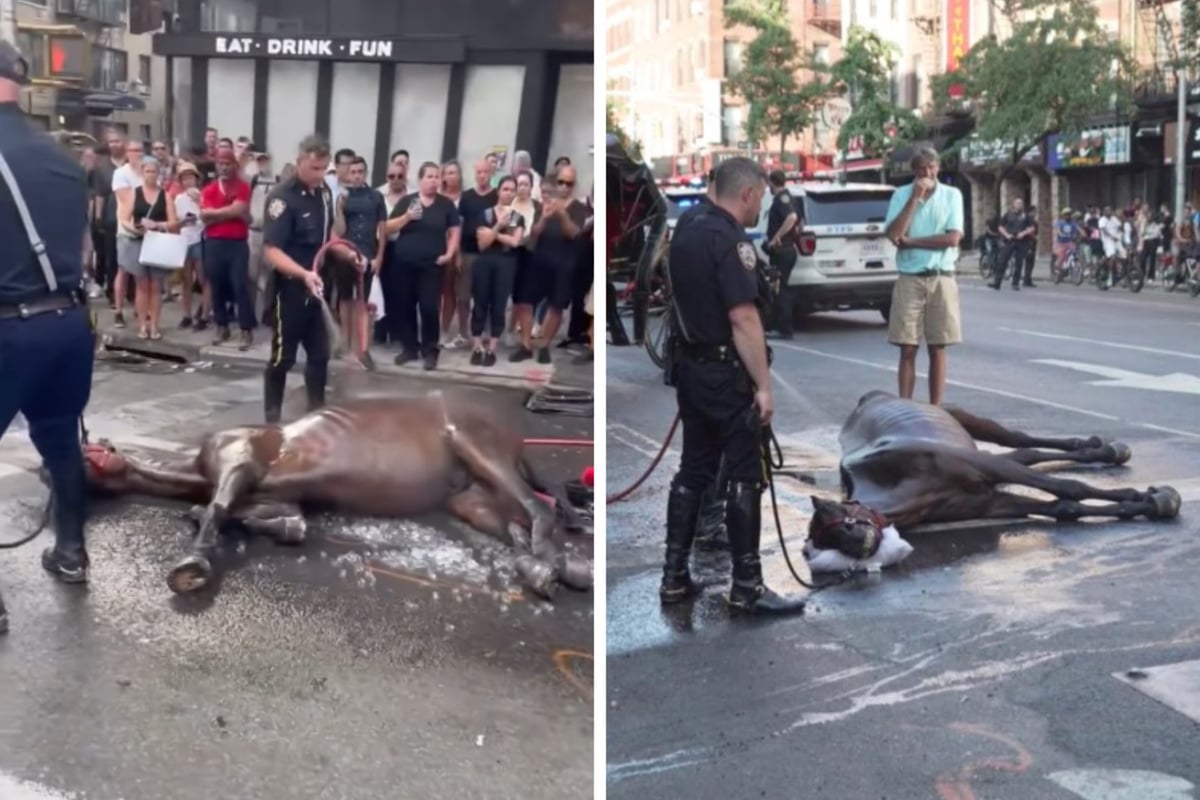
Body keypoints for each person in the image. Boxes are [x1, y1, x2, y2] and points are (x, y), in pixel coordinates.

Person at [659, 156, 805, 617]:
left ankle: (674, 576)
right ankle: (747, 585)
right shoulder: (728, 238)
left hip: (691, 371)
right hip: (725, 373)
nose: (760, 205)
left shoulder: (686, 226)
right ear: (745, 194)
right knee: (744, 474)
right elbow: (743, 317)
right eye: (759, 197)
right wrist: (763, 386)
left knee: (694, 470)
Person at [0, 39, 95, 591]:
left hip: (10, 326)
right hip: (68, 325)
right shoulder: (63, 159)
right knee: (60, 440)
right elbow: (81, 252)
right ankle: (72, 553)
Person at [261, 135, 350, 423]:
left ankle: (316, 415)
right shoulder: (281, 198)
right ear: (300, 162)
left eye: (324, 168)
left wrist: (348, 254)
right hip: (289, 288)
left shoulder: (324, 192)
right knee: (282, 358)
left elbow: (328, 237)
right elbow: (272, 252)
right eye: (314, 168)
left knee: (320, 354)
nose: (320, 174)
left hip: (318, 285)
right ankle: (272, 418)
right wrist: (303, 274)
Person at [882, 144, 964, 407]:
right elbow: (894, 234)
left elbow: (952, 238)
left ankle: (935, 408)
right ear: (914, 172)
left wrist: (913, 242)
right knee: (908, 347)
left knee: (938, 347)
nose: (927, 173)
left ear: (938, 167)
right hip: (910, 277)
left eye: (931, 167)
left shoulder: (952, 195)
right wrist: (914, 199)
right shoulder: (901, 195)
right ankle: (905, 406)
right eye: (921, 169)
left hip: (941, 276)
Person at [384, 162, 461, 370]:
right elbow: (387, 227)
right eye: (429, 176)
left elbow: (454, 230)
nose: (434, 180)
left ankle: (430, 349)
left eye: (437, 176)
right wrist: (407, 217)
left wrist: (449, 253)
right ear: (420, 180)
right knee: (405, 306)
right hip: (404, 263)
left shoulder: (446, 204)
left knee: (429, 307)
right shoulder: (407, 201)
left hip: (431, 265)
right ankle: (410, 348)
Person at [763, 169, 800, 340]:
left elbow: (792, 217)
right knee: (778, 287)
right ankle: (779, 325)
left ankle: (785, 328)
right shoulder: (788, 197)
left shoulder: (782, 199)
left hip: (783, 249)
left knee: (780, 289)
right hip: (785, 250)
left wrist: (777, 237)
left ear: (771, 182)